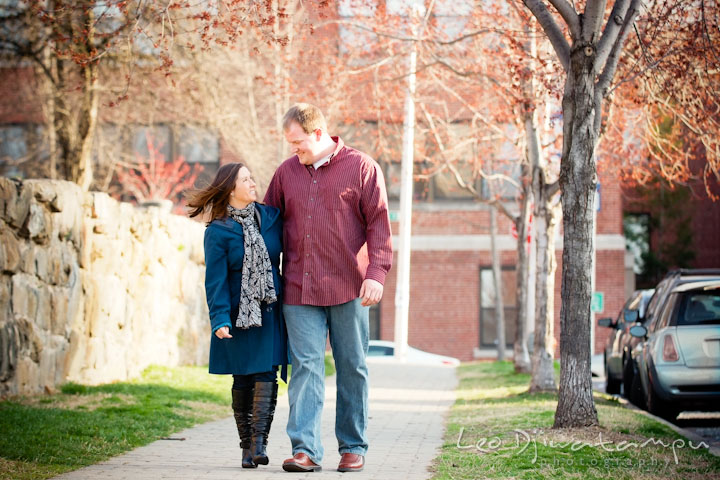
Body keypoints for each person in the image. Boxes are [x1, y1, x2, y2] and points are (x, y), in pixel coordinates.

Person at [264, 103, 392, 473]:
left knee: (352, 365)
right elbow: (269, 226)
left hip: (349, 286)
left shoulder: (362, 167)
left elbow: (379, 225)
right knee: (305, 367)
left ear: (319, 133)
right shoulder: (286, 173)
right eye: (290, 143)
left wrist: (376, 273)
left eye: (299, 142)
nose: (294, 149)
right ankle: (305, 450)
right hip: (299, 289)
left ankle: (352, 446)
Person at [187, 163, 288, 469]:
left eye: (251, 178)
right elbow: (214, 279)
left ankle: (259, 444)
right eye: (246, 180)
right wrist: (219, 319)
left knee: (266, 372)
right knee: (242, 375)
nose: (253, 183)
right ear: (231, 189)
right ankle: (246, 446)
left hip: (269, 308)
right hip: (237, 312)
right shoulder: (218, 231)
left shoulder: (270, 218)